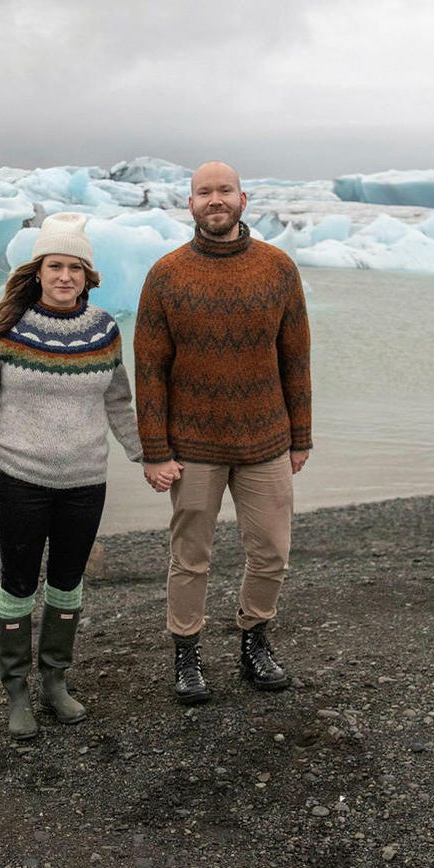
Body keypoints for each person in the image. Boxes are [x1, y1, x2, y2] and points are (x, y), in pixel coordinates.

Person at [0, 213, 144, 741]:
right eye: (55, 266)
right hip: (19, 482)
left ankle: (54, 681)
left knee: (67, 583)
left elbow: (119, 403)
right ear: (38, 271)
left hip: (85, 483)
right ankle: (16, 690)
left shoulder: (104, 329)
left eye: (74, 268)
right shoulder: (2, 330)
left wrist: (147, 457)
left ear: (88, 276)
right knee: (17, 584)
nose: (64, 276)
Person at [133, 160, 311, 704]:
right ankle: (186, 652)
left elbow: (296, 358)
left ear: (243, 198)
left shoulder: (278, 269)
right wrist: (154, 451)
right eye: (204, 192)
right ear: (190, 204)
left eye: (224, 190)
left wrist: (301, 437)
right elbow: (149, 369)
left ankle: (254, 638)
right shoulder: (166, 274)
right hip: (192, 448)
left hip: (266, 442)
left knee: (272, 552)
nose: (215, 199)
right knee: (190, 555)